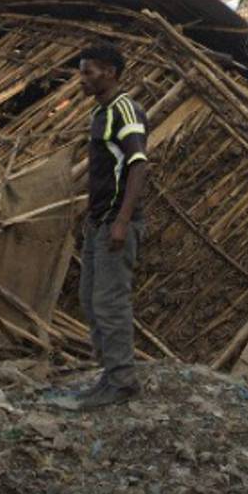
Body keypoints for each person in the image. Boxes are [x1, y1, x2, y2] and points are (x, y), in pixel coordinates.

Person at [76, 42, 150, 409]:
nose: (82, 79)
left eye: (88, 72)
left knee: (110, 302)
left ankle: (122, 381)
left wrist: (122, 221)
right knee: (90, 300)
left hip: (115, 224)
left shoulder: (125, 111)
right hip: (99, 221)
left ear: (110, 72)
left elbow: (138, 164)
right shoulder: (101, 113)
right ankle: (109, 375)